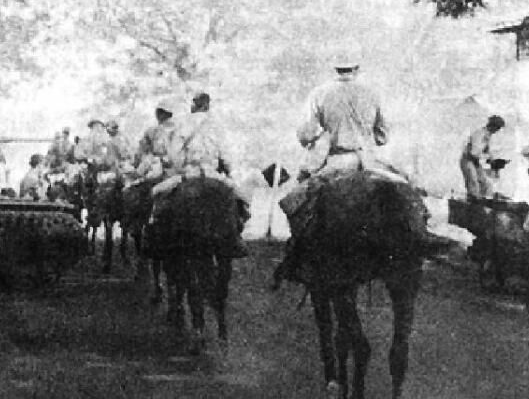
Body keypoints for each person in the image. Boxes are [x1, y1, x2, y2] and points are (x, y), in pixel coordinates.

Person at [273, 52, 398, 289]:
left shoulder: (320, 93)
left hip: (336, 162)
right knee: (402, 187)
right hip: (369, 162)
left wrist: (320, 137)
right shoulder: (372, 93)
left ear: (335, 69)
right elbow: (383, 135)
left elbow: (306, 133)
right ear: (356, 68)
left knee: (296, 201)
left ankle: (297, 256)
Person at [152, 91, 250, 257]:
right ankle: (236, 236)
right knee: (243, 200)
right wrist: (228, 172)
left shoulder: (182, 124)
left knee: (157, 194)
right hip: (214, 175)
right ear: (207, 105)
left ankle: (160, 238)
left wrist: (180, 168)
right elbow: (226, 157)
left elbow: (175, 156)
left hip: (189, 174)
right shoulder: (217, 125)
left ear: (194, 105)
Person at [459, 115, 506, 200]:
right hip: (467, 160)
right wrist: (487, 160)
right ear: (492, 126)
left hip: (475, 161)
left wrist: (492, 160)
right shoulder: (479, 133)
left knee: (486, 183)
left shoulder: (488, 135)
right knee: (473, 181)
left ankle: (484, 201)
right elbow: (474, 152)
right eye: (497, 128)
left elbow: (486, 150)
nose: (498, 130)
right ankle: (473, 202)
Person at [134, 98, 179, 183]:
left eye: (161, 112)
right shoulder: (152, 131)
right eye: (159, 112)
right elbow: (141, 150)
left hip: (165, 167)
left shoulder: (175, 131)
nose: (158, 114)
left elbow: (174, 156)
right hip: (153, 165)